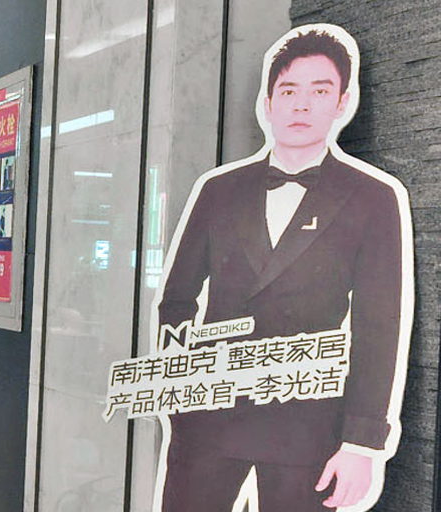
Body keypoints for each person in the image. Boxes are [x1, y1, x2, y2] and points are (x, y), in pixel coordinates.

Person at [156, 25, 412, 512]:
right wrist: (180, 389)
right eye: (289, 91)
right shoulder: (218, 190)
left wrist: (361, 443)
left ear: (342, 103)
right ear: (268, 102)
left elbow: (380, 327)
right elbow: (177, 300)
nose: (302, 105)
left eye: (320, 91)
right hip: (210, 416)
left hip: (310, 423)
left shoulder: (373, 199)